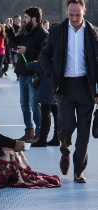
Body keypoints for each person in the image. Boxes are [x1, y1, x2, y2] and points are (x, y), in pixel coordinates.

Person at [41, 0, 98, 183]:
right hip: (63, 87)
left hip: (85, 87)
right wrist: (52, 77)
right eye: (71, 15)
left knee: (83, 131)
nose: (74, 19)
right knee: (66, 126)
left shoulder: (94, 33)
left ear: (84, 12)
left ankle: (78, 170)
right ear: (67, 12)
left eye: (78, 15)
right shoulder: (57, 31)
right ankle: (65, 151)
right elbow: (45, 55)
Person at [5, 7, 48, 143]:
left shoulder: (42, 33)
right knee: (24, 104)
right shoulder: (26, 31)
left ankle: (40, 133)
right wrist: (9, 29)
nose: (23, 21)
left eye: (26, 18)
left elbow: (44, 55)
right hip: (22, 73)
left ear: (34, 19)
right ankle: (29, 131)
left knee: (34, 104)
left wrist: (27, 50)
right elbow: (16, 41)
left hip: (33, 74)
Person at [25, 57, 60, 147]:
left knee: (45, 114)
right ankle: (57, 138)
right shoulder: (60, 52)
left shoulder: (49, 51)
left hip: (47, 86)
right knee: (56, 113)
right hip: (57, 85)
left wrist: (30, 64)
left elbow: (42, 66)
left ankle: (42, 140)